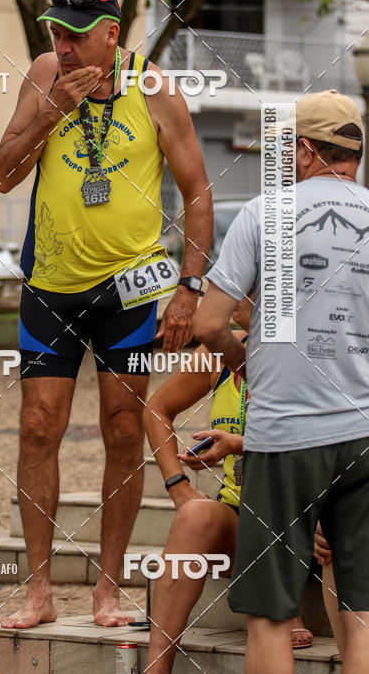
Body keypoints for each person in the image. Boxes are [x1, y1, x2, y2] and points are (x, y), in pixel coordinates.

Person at [0, 0, 212, 628]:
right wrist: (51, 112)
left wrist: (189, 287)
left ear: (112, 35)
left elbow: (198, 192)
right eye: (56, 33)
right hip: (51, 282)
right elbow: (3, 174)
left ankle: (107, 590)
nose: (62, 46)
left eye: (75, 35)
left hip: (131, 288)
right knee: (38, 426)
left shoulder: (156, 90)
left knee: (121, 427)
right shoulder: (44, 76)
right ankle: (38, 591)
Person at [192, 89, 369, 674]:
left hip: (285, 434)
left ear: (305, 151)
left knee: (269, 617)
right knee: (362, 614)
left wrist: (242, 358)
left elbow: (209, 324)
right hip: (364, 433)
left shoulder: (264, 213)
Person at [143, 295, 312, 672]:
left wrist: (238, 444)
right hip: (247, 518)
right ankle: (156, 668)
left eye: (248, 285)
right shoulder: (220, 350)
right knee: (193, 516)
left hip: (309, 520)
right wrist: (178, 485)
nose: (234, 295)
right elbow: (156, 409)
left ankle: (288, 606)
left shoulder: (313, 351)